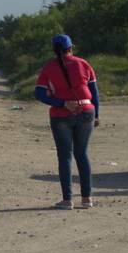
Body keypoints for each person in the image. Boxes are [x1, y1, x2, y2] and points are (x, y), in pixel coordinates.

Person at [34, 34, 99, 209]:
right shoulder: (83, 63)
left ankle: (67, 200)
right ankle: (87, 199)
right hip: (86, 111)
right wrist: (97, 115)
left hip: (61, 115)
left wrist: (62, 103)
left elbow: (39, 94)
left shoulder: (48, 68)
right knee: (82, 154)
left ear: (54, 50)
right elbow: (94, 92)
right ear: (71, 48)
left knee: (65, 157)